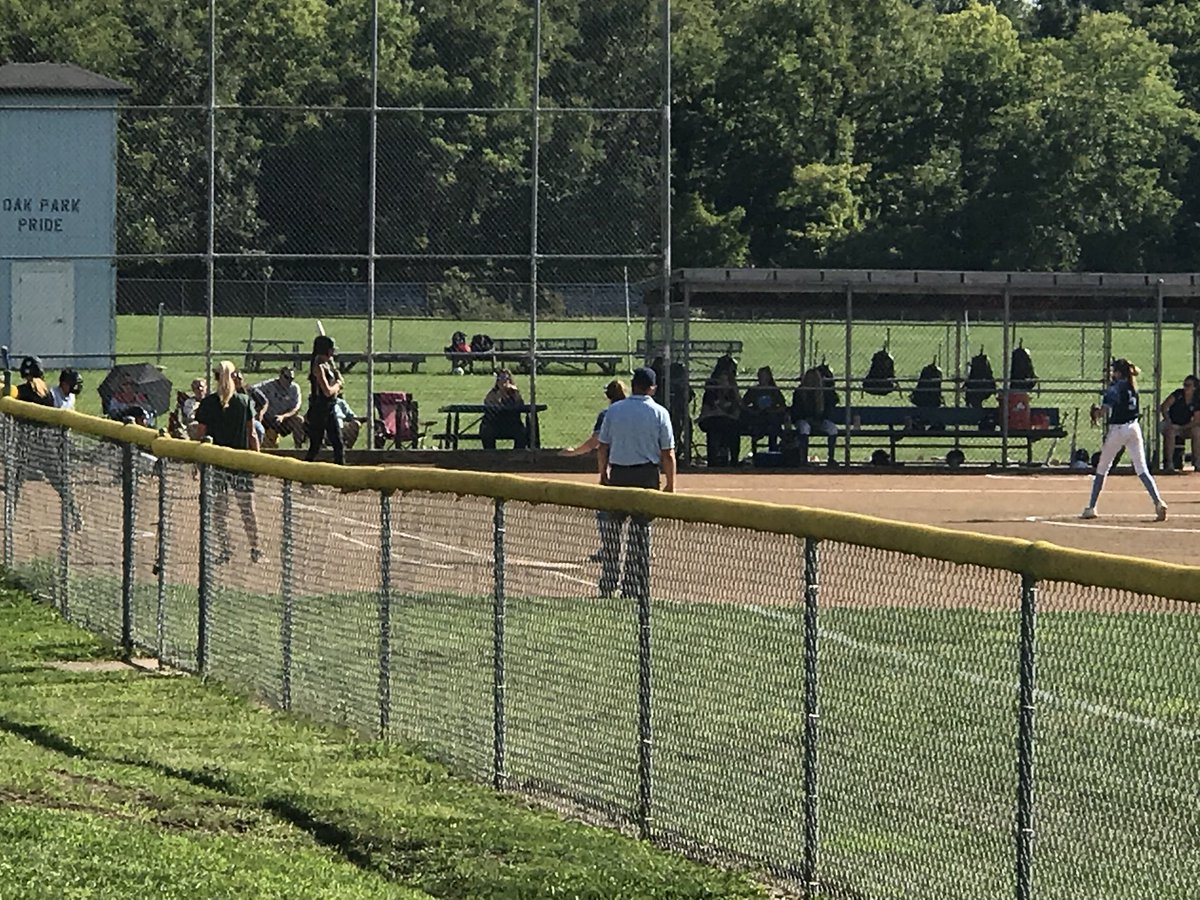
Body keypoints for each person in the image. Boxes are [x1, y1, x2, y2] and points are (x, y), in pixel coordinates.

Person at [596, 366, 676, 599]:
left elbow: (603, 447)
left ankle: (608, 583)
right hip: (646, 476)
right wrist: (670, 483)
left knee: (612, 532)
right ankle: (632, 586)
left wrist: (603, 474)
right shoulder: (660, 412)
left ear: (633, 385)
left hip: (619, 473)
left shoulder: (615, 410)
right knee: (640, 534)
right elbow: (667, 453)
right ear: (652, 388)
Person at [193, 360, 264, 563]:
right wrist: (257, 459)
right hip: (240, 462)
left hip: (217, 463)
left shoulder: (207, 403)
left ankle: (225, 549)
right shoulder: (244, 401)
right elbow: (252, 435)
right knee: (247, 508)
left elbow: (201, 433)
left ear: (216, 379)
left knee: (220, 509)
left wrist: (197, 460)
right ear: (234, 377)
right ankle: (255, 547)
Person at [1081, 358, 1167, 521]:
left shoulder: (1116, 387)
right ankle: (1158, 502)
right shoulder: (1132, 386)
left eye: (1114, 370)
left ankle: (1091, 507)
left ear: (1119, 372)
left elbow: (1105, 410)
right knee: (1142, 469)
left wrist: (1096, 412)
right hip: (1134, 428)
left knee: (1102, 468)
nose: (1112, 373)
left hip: (1118, 430)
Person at [11, 357, 82, 531]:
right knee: (57, 480)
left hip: (32, 442)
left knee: (18, 479)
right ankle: (75, 515)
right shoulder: (44, 390)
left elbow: (21, 394)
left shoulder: (28, 389)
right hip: (42, 442)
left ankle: (9, 515)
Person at [561, 379, 628, 562]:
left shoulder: (608, 413)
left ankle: (609, 549)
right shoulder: (637, 411)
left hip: (617, 467)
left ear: (608, 396)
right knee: (640, 510)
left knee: (606, 510)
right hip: (643, 466)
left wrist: (574, 452)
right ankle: (643, 548)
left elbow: (596, 443)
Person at [304, 334, 346, 464]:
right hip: (319, 410)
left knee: (338, 443)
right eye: (331, 350)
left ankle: (342, 472)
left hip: (330, 408)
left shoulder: (327, 364)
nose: (333, 353)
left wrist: (336, 375)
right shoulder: (318, 366)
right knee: (315, 445)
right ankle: (304, 471)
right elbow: (327, 391)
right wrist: (338, 384)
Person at [696, 355, 741, 467]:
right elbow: (707, 411)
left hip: (728, 419)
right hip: (712, 418)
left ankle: (734, 461)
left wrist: (733, 388)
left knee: (734, 428)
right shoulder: (711, 388)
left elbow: (738, 408)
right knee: (715, 427)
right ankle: (713, 461)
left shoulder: (732, 389)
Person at [790, 366, 839, 466]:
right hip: (803, 420)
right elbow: (796, 412)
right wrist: (808, 419)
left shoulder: (823, 392)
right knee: (805, 427)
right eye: (809, 378)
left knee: (832, 428)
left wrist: (819, 418)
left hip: (819, 420)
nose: (812, 381)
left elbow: (832, 404)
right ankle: (803, 459)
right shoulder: (799, 392)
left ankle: (831, 458)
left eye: (815, 378)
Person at [1157, 374, 1200, 473]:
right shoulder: (1178, 394)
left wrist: (1182, 428)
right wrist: (1169, 421)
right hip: (1171, 423)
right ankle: (1169, 464)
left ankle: (1197, 463)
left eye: (1188, 385)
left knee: (1197, 431)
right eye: (1184, 385)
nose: (1185, 387)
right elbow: (1164, 407)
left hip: (1185, 426)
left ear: (1195, 387)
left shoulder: (1197, 399)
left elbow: (1197, 420)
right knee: (1170, 432)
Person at [742, 365, 788, 452]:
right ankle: (759, 434)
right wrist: (753, 411)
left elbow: (783, 406)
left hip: (771, 417)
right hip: (758, 417)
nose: (760, 378)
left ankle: (772, 450)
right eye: (759, 376)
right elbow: (743, 404)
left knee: (772, 422)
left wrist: (773, 410)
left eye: (763, 376)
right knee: (765, 420)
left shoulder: (774, 390)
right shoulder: (754, 390)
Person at [255, 367, 305, 448]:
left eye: (291, 379)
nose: (289, 381)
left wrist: (283, 417)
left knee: (299, 420)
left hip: (284, 420)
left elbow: (296, 408)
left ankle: (298, 448)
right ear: (280, 375)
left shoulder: (294, 388)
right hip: (267, 419)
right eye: (286, 377)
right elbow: (253, 390)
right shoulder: (269, 385)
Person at [481, 369, 528, 450]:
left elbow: (521, 405)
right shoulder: (493, 393)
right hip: (495, 424)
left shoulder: (514, 392)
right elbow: (488, 405)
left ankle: (517, 455)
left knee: (522, 433)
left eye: (506, 379)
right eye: (500, 378)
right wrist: (499, 394)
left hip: (512, 424)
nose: (503, 381)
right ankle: (490, 455)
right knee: (486, 431)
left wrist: (515, 393)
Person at [232, 369, 269, 448]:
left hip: (251, 419)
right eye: (235, 379)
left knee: (259, 429)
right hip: (234, 420)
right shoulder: (229, 392)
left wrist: (261, 413)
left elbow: (264, 402)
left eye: (240, 379)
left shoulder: (250, 390)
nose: (238, 381)